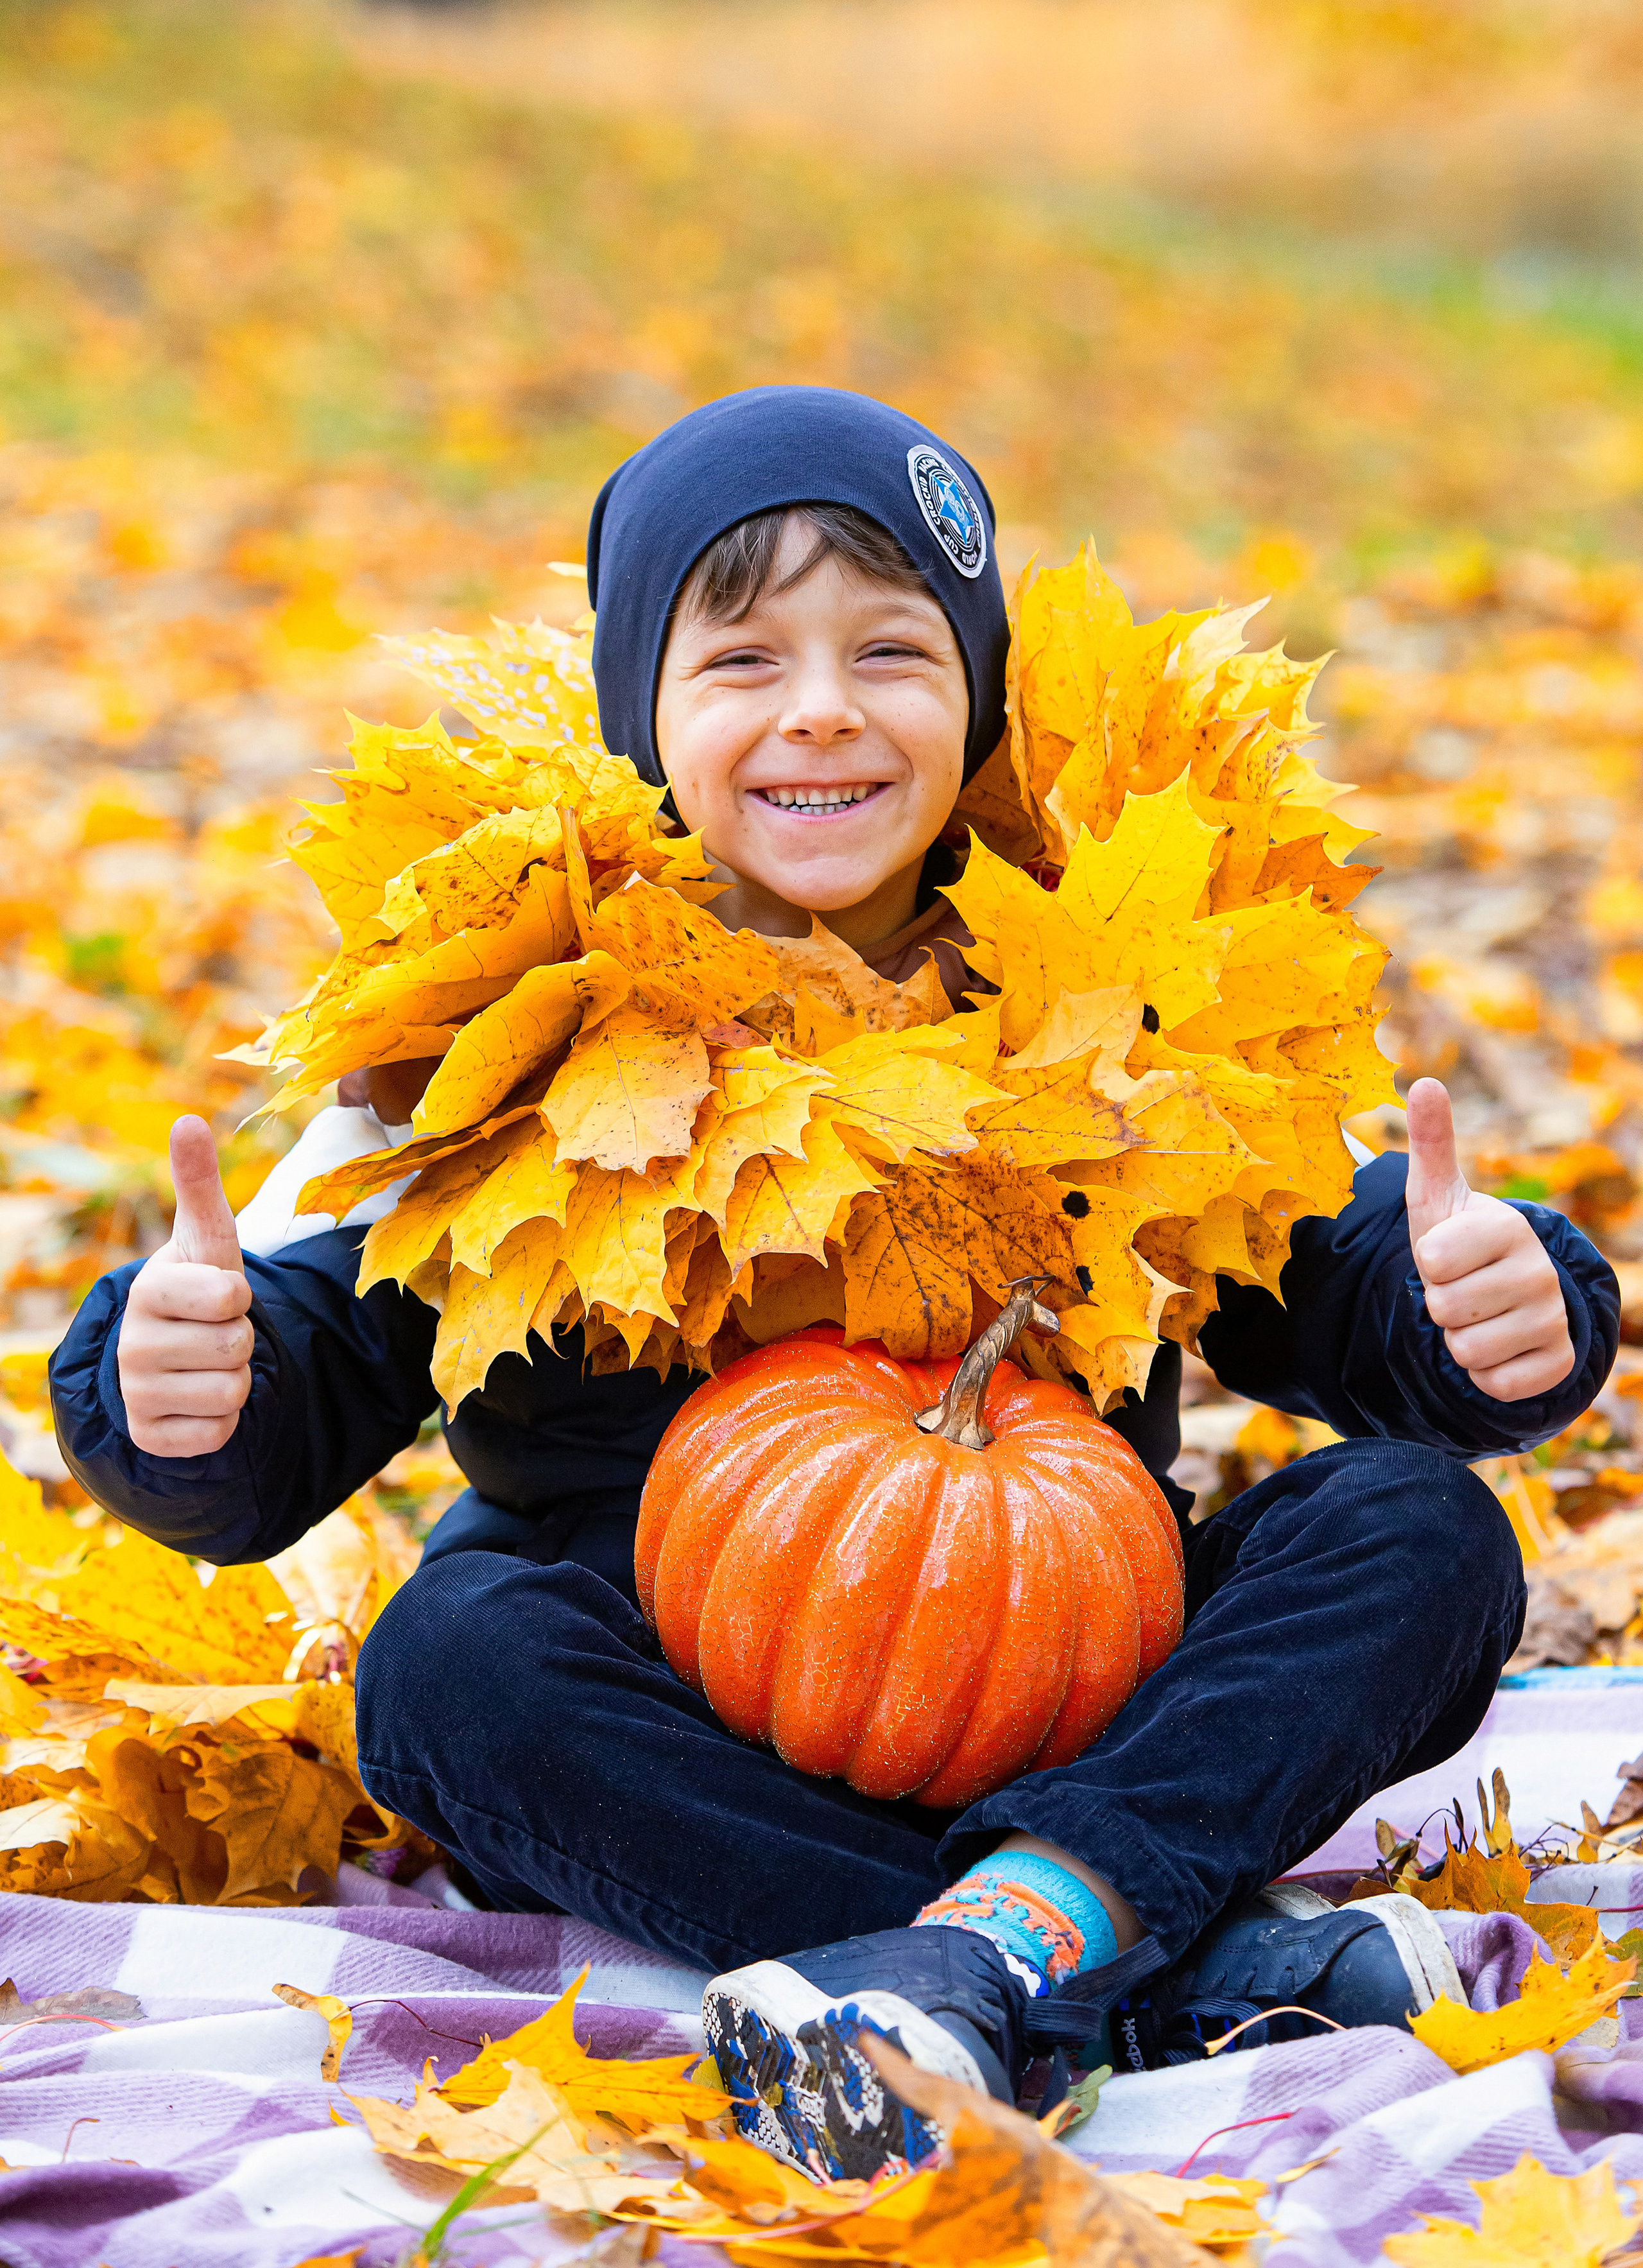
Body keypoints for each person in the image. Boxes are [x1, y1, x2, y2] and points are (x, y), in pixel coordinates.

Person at [51, 388, 1617, 2186]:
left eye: (891, 651)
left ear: (978, 699)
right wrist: (191, 1394)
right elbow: (305, 1378)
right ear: (640, 709)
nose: (821, 707)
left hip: (1076, 1672)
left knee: (1416, 1528)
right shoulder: (514, 1018)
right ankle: (1124, 1949)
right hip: (669, 1713)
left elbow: (1326, 1279)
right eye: (742, 659)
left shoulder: (1105, 995)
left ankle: (972, 1967)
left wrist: (1476, 1312)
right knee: (448, 1666)